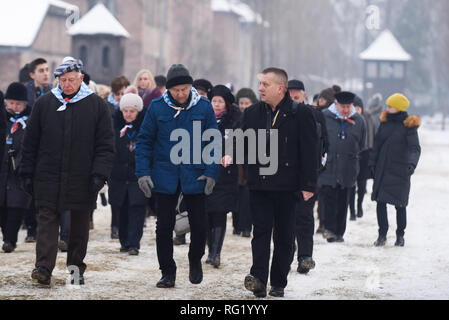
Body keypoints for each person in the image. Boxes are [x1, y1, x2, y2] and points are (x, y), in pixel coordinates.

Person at [20, 58, 115, 286]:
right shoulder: (44, 104)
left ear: (80, 78)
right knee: (46, 223)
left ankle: (75, 270)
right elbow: (30, 142)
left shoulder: (96, 105)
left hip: (82, 178)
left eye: (71, 80)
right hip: (48, 176)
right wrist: (26, 172)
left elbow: (105, 144)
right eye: (63, 80)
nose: (67, 84)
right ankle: (43, 268)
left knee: (78, 229)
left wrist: (99, 174)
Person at [135, 64, 220, 288]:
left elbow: (214, 141)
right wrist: (143, 172)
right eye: (176, 90)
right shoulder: (156, 108)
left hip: (196, 173)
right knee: (164, 226)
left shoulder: (203, 106)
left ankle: (195, 258)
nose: (181, 94)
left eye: (184, 89)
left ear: (190, 86)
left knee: (200, 225)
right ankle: (167, 271)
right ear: (168, 90)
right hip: (165, 174)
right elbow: (144, 141)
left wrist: (212, 172)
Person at [242, 68, 319, 298]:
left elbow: (309, 151)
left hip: (288, 187)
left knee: (285, 236)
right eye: (260, 84)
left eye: (266, 84)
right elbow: (244, 144)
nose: (261, 88)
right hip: (259, 185)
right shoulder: (253, 112)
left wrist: (308, 185)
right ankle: (258, 279)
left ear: (280, 88)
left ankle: (278, 282)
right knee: (261, 233)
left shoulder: (301, 113)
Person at [289, 80, 329, 275]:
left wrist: (317, 169)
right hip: (283, 178)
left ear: (304, 96)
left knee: (304, 217)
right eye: (290, 96)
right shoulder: (277, 115)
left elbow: (325, 147)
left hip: (308, 177)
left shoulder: (316, 115)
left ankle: (305, 256)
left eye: (296, 97)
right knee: (285, 220)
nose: (293, 100)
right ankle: (287, 254)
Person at [370, 94, 421, 247]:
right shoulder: (384, 123)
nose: (387, 108)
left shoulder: (408, 126)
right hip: (383, 170)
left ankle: (400, 235)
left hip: (400, 170)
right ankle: (382, 235)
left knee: (400, 205)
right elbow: (376, 146)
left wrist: (411, 165)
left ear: (398, 108)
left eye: (390, 106)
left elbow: (415, 148)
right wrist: (372, 164)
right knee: (380, 203)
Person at [318, 92, 366, 243]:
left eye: (348, 107)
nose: (345, 110)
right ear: (336, 104)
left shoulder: (359, 120)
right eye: (342, 106)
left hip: (348, 166)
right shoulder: (325, 116)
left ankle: (339, 232)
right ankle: (329, 229)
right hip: (328, 165)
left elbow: (362, 144)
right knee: (329, 198)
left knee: (343, 200)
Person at [205, 85, 242, 268]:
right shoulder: (204, 118)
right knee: (205, 214)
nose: (217, 105)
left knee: (219, 212)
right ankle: (209, 249)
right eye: (214, 101)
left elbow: (240, 142)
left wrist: (230, 154)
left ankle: (215, 253)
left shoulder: (235, 121)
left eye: (220, 101)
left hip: (225, 173)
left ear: (226, 104)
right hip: (204, 171)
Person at [109, 93, 147, 255]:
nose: (128, 114)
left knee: (137, 211)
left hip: (137, 177)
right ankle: (124, 241)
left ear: (138, 112)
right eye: (125, 111)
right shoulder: (115, 129)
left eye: (132, 111)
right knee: (121, 211)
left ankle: (134, 243)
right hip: (118, 177)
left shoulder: (144, 129)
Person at [0, 83, 32, 253]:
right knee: (3, 207)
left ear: (25, 105)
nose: (14, 107)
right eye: (11, 103)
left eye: (18, 104)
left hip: (19, 172)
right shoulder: (3, 120)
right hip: (3, 171)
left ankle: (10, 240)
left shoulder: (29, 122)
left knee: (16, 207)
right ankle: (6, 235)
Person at [23, 58, 53, 243]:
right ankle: (30, 228)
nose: (45, 73)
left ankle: (43, 225)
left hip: (48, 145)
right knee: (28, 185)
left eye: (47, 69)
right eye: (41, 70)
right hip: (28, 143)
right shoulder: (25, 93)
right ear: (32, 74)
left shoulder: (53, 92)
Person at [233, 87, 258, 237]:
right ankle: (237, 225)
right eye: (241, 103)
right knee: (236, 195)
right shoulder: (234, 117)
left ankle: (247, 226)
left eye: (246, 103)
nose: (243, 106)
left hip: (251, 160)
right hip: (237, 161)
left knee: (247, 197)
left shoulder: (257, 117)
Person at [349, 96, 375, 220]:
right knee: (351, 184)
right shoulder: (349, 118)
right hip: (352, 154)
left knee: (362, 183)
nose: (356, 110)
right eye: (354, 107)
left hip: (365, 154)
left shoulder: (367, 118)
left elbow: (372, 134)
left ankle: (359, 206)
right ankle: (352, 210)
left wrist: (371, 150)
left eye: (358, 107)